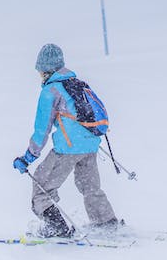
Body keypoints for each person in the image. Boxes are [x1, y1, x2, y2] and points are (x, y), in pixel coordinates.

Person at [13, 43, 118, 238]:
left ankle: (56, 227)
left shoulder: (51, 91)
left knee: (42, 186)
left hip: (68, 148)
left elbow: (41, 130)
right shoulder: (78, 84)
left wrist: (28, 157)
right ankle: (106, 221)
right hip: (91, 144)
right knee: (90, 186)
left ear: (45, 69)